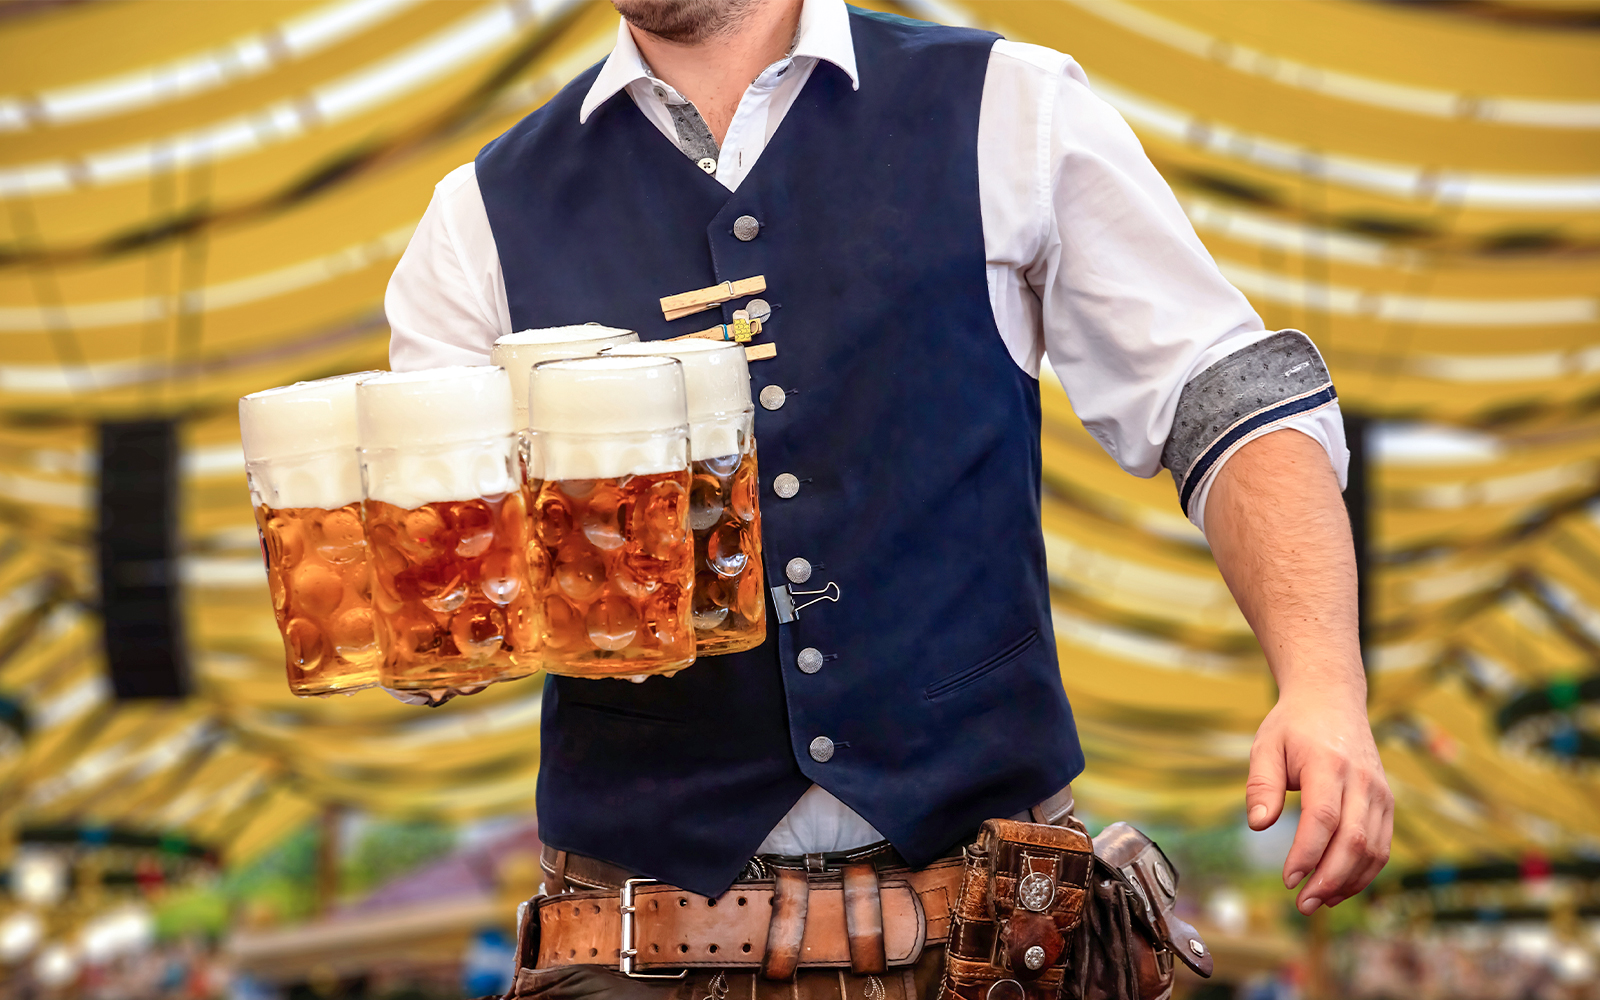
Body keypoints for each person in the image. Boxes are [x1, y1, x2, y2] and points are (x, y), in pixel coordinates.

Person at [385, 0, 1392, 995]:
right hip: (634, 952)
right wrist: (434, 631)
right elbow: (430, 606)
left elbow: (1221, 396)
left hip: (996, 944)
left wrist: (1322, 682)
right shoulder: (474, 220)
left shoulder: (1008, 104)